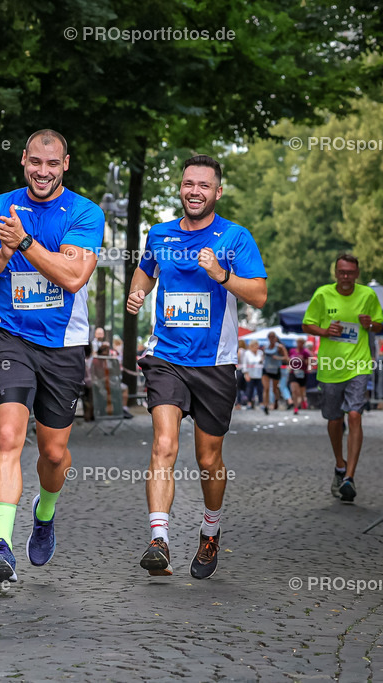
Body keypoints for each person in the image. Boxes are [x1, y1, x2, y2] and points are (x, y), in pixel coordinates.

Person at [0, 129, 104, 581]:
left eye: (52, 164)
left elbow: (73, 276)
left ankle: (44, 514)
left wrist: (24, 243)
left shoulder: (84, 212)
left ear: (65, 165)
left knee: (55, 454)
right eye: (35, 163)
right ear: (24, 160)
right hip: (12, 339)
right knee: (7, 437)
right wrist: (3, 252)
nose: (42, 171)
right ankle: (1, 545)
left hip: (63, 346)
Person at [127, 154, 267, 580]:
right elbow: (144, 272)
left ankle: (210, 531)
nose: (194, 191)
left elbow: (259, 295)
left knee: (208, 459)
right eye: (189, 183)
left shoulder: (235, 237)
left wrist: (222, 274)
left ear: (217, 192)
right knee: (164, 445)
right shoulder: (160, 234)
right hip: (166, 357)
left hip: (214, 363)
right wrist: (136, 293)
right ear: (181, 187)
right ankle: (160, 539)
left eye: (204, 186)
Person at [301, 254, 383, 503]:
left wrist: (371, 325)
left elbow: (379, 325)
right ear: (335, 273)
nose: (346, 277)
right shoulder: (323, 294)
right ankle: (340, 464)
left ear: (357, 274)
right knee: (335, 420)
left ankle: (349, 476)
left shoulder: (367, 296)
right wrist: (325, 331)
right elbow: (307, 325)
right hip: (330, 366)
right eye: (342, 272)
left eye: (350, 272)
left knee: (355, 413)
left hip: (358, 364)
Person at [262, 331, 287, 413]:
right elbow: (263, 357)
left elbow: (286, 358)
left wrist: (278, 358)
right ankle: (266, 406)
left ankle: (276, 400)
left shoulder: (280, 347)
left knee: (274, 389)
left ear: (275, 338)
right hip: (266, 369)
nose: (272, 338)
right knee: (266, 388)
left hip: (276, 369)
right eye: (270, 337)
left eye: (273, 337)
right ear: (268, 338)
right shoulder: (265, 347)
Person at [289, 338, 311, 413]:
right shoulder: (292, 351)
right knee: (295, 391)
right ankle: (295, 407)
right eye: (298, 342)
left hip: (302, 373)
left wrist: (303, 360)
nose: (299, 344)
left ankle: (303, 400)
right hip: (293, 372)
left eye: (301, 342)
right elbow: (289, 359)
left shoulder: (305, 352)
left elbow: (309, 362)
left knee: (301, 392)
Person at [242, 340, 264, 408]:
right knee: (250, 389)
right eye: (255, 345)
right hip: (250, 374)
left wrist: (262, 361)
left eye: (257, 345)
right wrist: (246, 374)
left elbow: (263, 363)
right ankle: (249, 403)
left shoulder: (260, 353)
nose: (256, 347)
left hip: (259, 374)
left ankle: (261, 403)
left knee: (260, 389)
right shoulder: (247, 353)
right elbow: (244, 364)